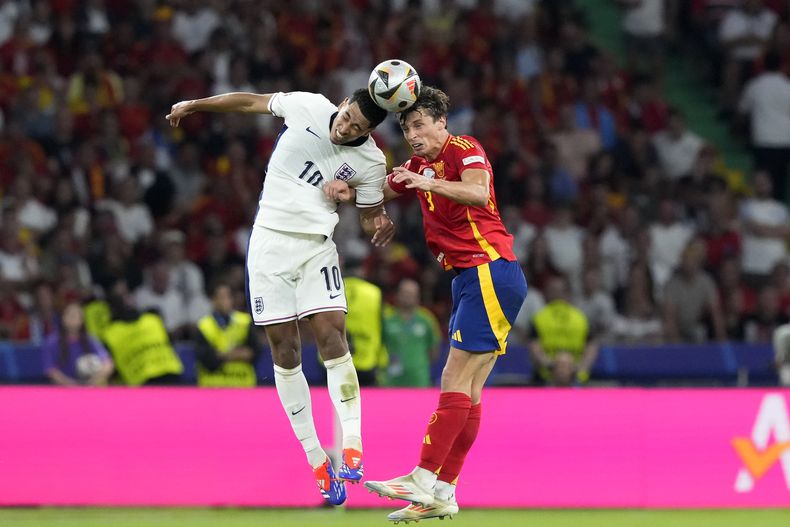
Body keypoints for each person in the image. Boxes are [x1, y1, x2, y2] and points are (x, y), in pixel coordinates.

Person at [166, 87, 393, 506]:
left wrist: (377, 222)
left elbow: (368, 214)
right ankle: (316, 459)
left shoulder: (372, 161)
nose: (344, 130)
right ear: (341, 103)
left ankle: (354, 444)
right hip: (269, 244)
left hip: (316, 245)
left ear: (370, 131)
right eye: (345, 118)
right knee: (284, 351)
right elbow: (251, 101)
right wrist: (196, 105)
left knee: (332, 339)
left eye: (356, 128)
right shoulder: (308, 106)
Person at [327, 86, 528, 522]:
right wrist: (346, 188)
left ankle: (422, 475)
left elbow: (477, 193)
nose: (413, 134)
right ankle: (443, 491)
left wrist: (427, 181)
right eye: (406, 127)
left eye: (420, 124)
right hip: (470, 278)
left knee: (454, 378)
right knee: (470, 391)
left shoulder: (464, 149)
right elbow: (379, 188)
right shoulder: (418, 164)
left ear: (442, 123)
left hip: (489, 268)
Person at [529, 275, 598, 386]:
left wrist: (579, 368)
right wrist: (551, 365)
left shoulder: (579, 318)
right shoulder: (580, 317)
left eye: (557, 291)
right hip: (551, 377)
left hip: (566, 377)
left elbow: (591, 346)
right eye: (552, 291)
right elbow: (535, 348)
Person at [194, 280, 261, 387]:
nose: (224, 301)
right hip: (212, 386)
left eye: (227, 297)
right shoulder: (203, 326)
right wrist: (235, 354)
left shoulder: (245, 321)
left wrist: (221, 355)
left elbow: (255, 352)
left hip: (243, 386)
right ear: (213, 300)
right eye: (220, 297)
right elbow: (206, 359)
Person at [381, 278, 441, 387]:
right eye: (405, 293)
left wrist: (417, 363)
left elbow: (434, 350)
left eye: (411, 294)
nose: (408, 297)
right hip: (392, 380)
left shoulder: (426, 319)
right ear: (398, 295)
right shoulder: (387, 319)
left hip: (419, 379)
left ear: (418, 297)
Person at [42, 302, 114, 386]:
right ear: (63, 318)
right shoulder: (52, 342)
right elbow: (51, 370)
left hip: (89, 387)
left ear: (82, 320)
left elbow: (108, 363)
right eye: (70, 315)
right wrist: (71, 385)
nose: (73, 319)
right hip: (63, 389)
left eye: (76, 316)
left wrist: (93, 382)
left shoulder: (90, 339)